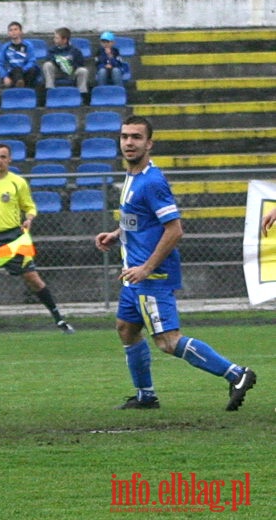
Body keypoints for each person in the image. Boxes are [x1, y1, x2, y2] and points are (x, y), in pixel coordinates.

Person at [94, 115, 257, 411]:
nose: (129, 142)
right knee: (126, 328)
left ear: (149, 144)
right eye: (125, 136)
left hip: (150, 276)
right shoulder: (132, 176)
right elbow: (142, 221)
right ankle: (146, 396)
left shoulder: (153, 182)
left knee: (168, 341)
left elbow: (175, 229)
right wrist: (117, 234)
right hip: (135, 275)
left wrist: (146, 268)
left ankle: (237, 374)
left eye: (136, 137)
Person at [0, 143, 74, 336]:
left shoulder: (18, 182)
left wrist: (29, 219)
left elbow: (29, 207)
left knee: (33, 278)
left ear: (10, 159)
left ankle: (59, 319)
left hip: (13, 238)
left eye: (3, 157)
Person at [41, 27, 90, 103]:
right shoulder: (52, 50)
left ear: (64, 40)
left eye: (57, 38)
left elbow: (80, 63)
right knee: (47, 65)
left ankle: (81, 94)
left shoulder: (75, 51)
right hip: (57, 72)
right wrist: (60, 61)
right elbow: (49, 59)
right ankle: (50, 90)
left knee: (83, 71)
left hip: (71, 72)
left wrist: (69, 65)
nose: (54, 40)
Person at [0, 21, 39, 88]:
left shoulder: (28, 45)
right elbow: (0, 64)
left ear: (21, 32)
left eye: (16, 29)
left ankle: (21, 86)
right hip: (12, 73)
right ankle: (20, 85)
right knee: (16, 70)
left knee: (32, 69)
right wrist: (5, 76)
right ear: (8, 33)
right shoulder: (5, 47)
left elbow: (32, 61)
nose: (13, 32)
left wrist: (22, 70)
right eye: (11, 30)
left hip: (26, 72)